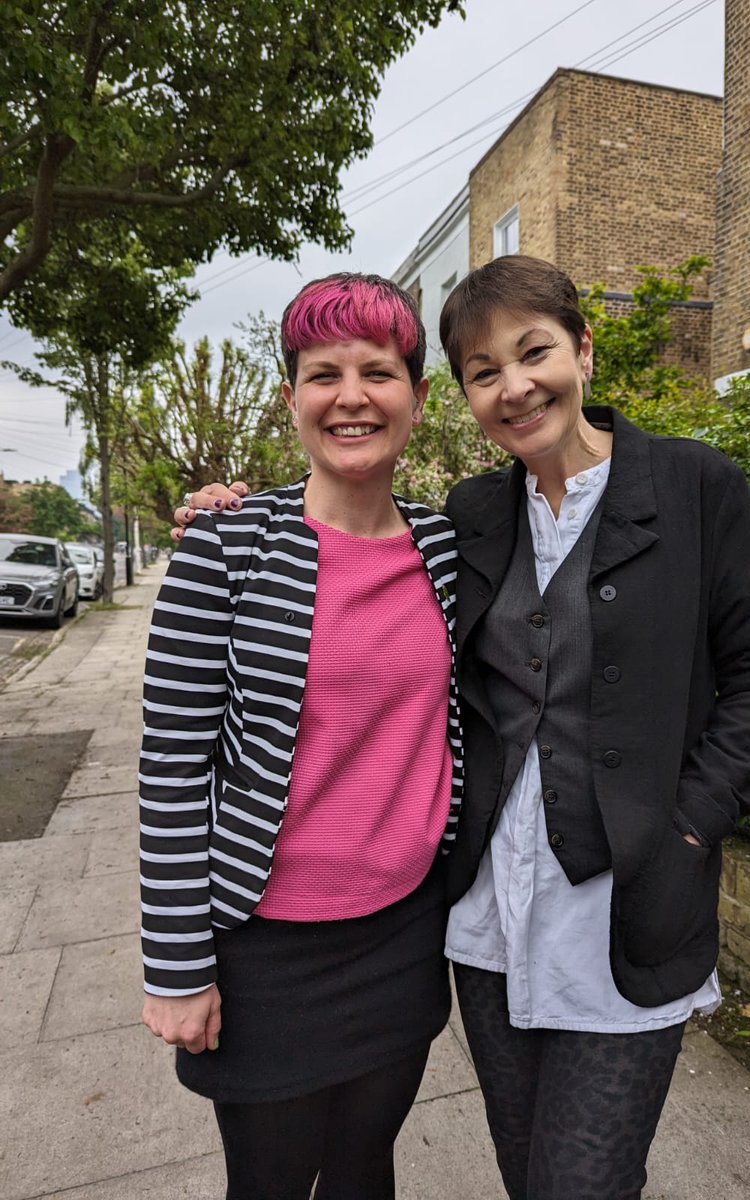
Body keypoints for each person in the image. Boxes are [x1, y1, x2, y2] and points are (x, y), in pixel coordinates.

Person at [177, 255, 750, 1200]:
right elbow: (342, 542)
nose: (515, 386)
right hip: (484, 920)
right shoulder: (469, 518)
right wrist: (232, 513)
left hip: (627, 905)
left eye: (534, 352)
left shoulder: (693, 485)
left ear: (583, 350)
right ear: (459, 393)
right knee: (522, 1173)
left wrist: (691, 822)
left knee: (580, 1182)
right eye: (483, 370)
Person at [141, 273, 462, 1200]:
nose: (352, 395)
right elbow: (170, 764)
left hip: (402, 931)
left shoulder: (447, 548)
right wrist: (175, 966)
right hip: (263, 946)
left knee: (366, 1170)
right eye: (324, 374)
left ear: (416, 396)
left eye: (379, 371)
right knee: (273, 1183)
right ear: (291, 399)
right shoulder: (225, 547)